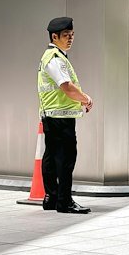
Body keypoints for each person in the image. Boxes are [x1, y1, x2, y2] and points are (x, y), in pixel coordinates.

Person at [38, 17, 93, 214]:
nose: (70, 39)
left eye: (72, 35)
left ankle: (51, 198)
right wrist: (85, 98)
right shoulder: (55, 59)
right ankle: (64, 201)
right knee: (66, 159)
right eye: (66, 36)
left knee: (52, 158)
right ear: (55, 36)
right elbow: (67, 87)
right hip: (60, 119)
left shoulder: (52, 57)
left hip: (52, 116)